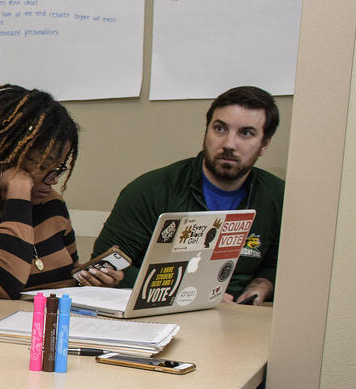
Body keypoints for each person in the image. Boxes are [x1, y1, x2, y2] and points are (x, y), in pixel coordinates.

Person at [90, 86, 283, 304]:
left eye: (246, 133)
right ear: (207, 130)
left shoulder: (277, 196)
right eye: (220, 129)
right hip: (156, 313)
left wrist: (266, 282)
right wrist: (187, 292)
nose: (229, 144)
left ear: (264, 144)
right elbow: (105, 263)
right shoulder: (151, 190)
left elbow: (284, 262)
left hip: (238, 318)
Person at [0, 85, 121, 307]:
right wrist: (18, 192)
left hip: (55, 331)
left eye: (59, 167)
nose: (53, 180)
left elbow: (64, 279)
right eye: (45, 166)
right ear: (4, 157)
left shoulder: (51, 203)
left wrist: (91, 282)